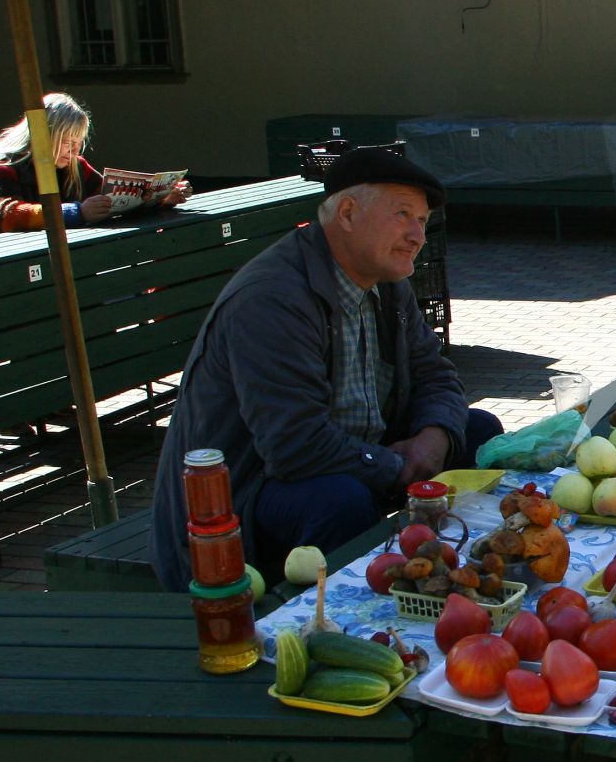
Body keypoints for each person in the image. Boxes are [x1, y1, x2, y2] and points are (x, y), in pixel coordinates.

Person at [149, 149, 503, 591]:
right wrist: (397, 465)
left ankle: (454, 572)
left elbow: (437, 375)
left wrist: (433, 441)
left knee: (477, 430)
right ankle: (335, 612)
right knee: (341, 500)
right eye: (403, 215)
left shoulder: (388, 283)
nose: (418, 235)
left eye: (422, 220)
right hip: (243, 495)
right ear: (349, 214)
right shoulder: (273, 299)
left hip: (352, 453)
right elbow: (292, 444)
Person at [0, 93, 190, 241]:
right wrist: (77, 212)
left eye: (78, 143)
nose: (75, 151)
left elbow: (111, 197)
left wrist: (160, 197)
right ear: (43, 138)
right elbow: (8, 215)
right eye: (66, 143)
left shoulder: (74, 166)